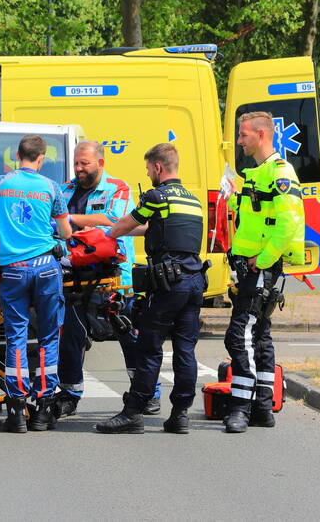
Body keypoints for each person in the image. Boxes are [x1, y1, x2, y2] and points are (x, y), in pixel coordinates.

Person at [96, 143, 206, 435]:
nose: (148, 173)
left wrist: (100, 236)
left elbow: (123, 226)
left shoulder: (156, 196)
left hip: (168, 282)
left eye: (148, 168)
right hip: (194, 282)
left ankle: (133, 413)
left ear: (158, 167)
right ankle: (180, 415)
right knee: (185, 350)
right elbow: (154, 227)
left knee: (149, 347)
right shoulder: (192, 200)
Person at [51, 141, 161, 418]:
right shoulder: (64, 189)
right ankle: (69, 394)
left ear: (100, 163)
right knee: (71, 337)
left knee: (131, 335)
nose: (79, 169)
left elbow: (114, 219)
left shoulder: (117, 188)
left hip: (113, 277)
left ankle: (147, 392)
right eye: (76, 163)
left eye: (84, 163)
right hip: (73, 275)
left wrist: (67, 218)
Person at [223, 111, 305, 433]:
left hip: (261, 267)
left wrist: (263, 260)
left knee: (238, 336)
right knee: (259, 334)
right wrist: (230, 199)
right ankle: (263, 406)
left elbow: (289, 224)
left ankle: (241, 407)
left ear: (260, 135)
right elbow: (252, 219)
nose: (239, 141)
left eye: (243, 135)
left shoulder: (281, 172)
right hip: (250, 267)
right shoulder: (256, 173)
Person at [0, 135, 71, 433]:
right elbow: (66, 231)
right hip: (46, 268)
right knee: (48, 337)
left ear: (16, 156)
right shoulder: (51, 187)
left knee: (16, 337)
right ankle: (44, 411)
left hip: (13, 270)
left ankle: (17, 410)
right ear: (41, 157)